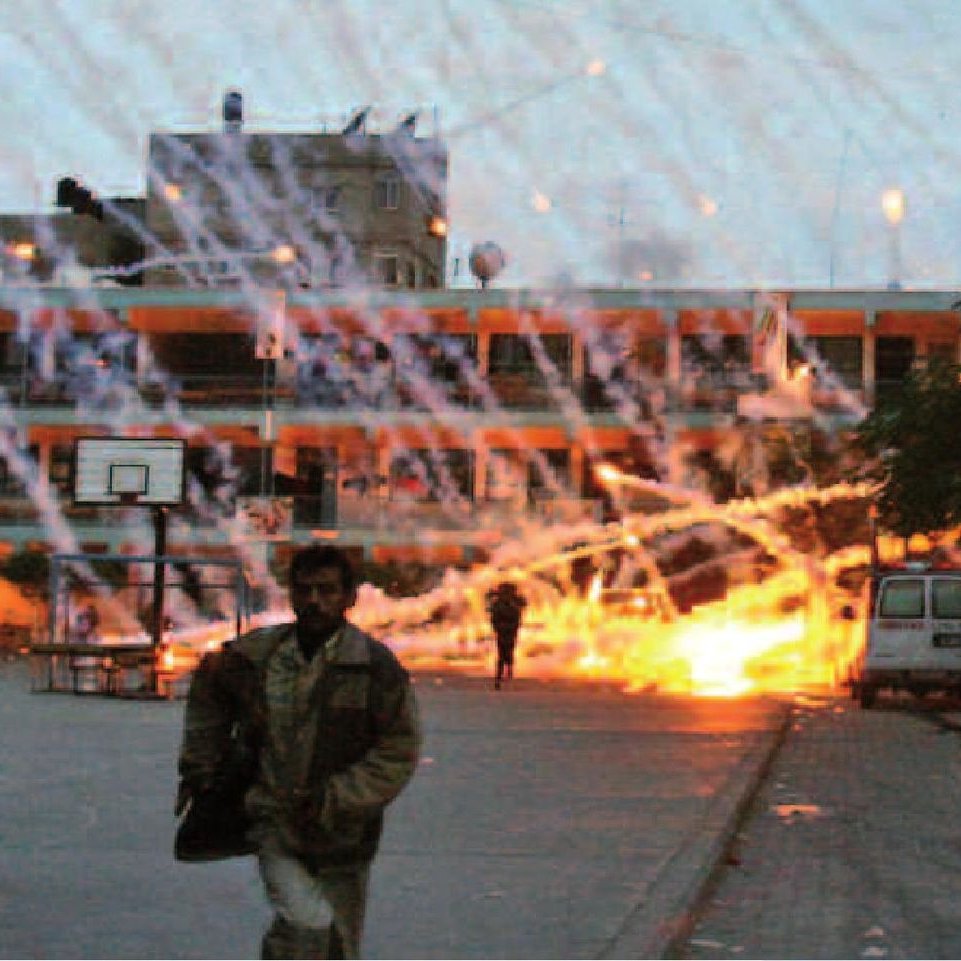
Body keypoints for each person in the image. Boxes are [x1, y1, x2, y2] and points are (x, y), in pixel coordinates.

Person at [177, 544, 421, 959]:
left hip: (341, 833)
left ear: (349, 598)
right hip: (272, 819)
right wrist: (203, 762)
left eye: (327, 591)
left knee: (338, 944)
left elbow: (398, 749)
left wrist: (339, 796)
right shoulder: (256, 656)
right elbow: (209, 691)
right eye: (305, 590)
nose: (314, 601)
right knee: (308, 924)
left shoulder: (375, 669)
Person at [487, 582, 527, 690]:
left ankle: (507, 671)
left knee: (507, 652)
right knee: (503, 653)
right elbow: (493, 618)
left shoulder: (510, 603)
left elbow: (522, 605)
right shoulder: (499, 604)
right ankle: (502, 674)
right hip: (504, 631)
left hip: (509, 631)